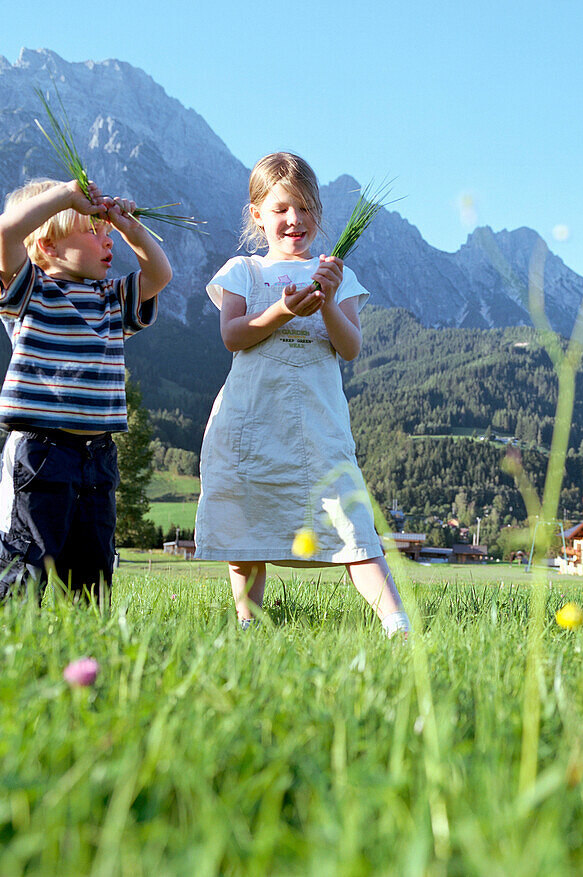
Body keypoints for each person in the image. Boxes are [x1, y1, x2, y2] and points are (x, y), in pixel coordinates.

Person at [195, 152, 410, 636]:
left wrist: (328, 301)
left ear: (319, 212)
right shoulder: (243, 272)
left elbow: (349, 347)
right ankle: (249, 625)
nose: (295, 220)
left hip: (317, 421)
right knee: (244, 528)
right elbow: (233, 335)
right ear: (258, 215)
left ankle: (396, 623)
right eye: (281, 209)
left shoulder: (336, 272)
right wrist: (284, 311)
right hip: (251, 418)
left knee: (352, 525)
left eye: (307, 208)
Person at [0, 177, 172, 611]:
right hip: (39, 454)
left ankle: (83, 650)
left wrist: (130, 228)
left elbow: (160, 274)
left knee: (92, 564)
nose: (107, 242)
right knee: (23, 556)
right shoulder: (29, 292)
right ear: (46, 247)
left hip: (98, 456)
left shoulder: (112, 299)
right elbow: (4, 233)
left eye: (106, 234)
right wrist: (64, 196)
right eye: (92, 231)